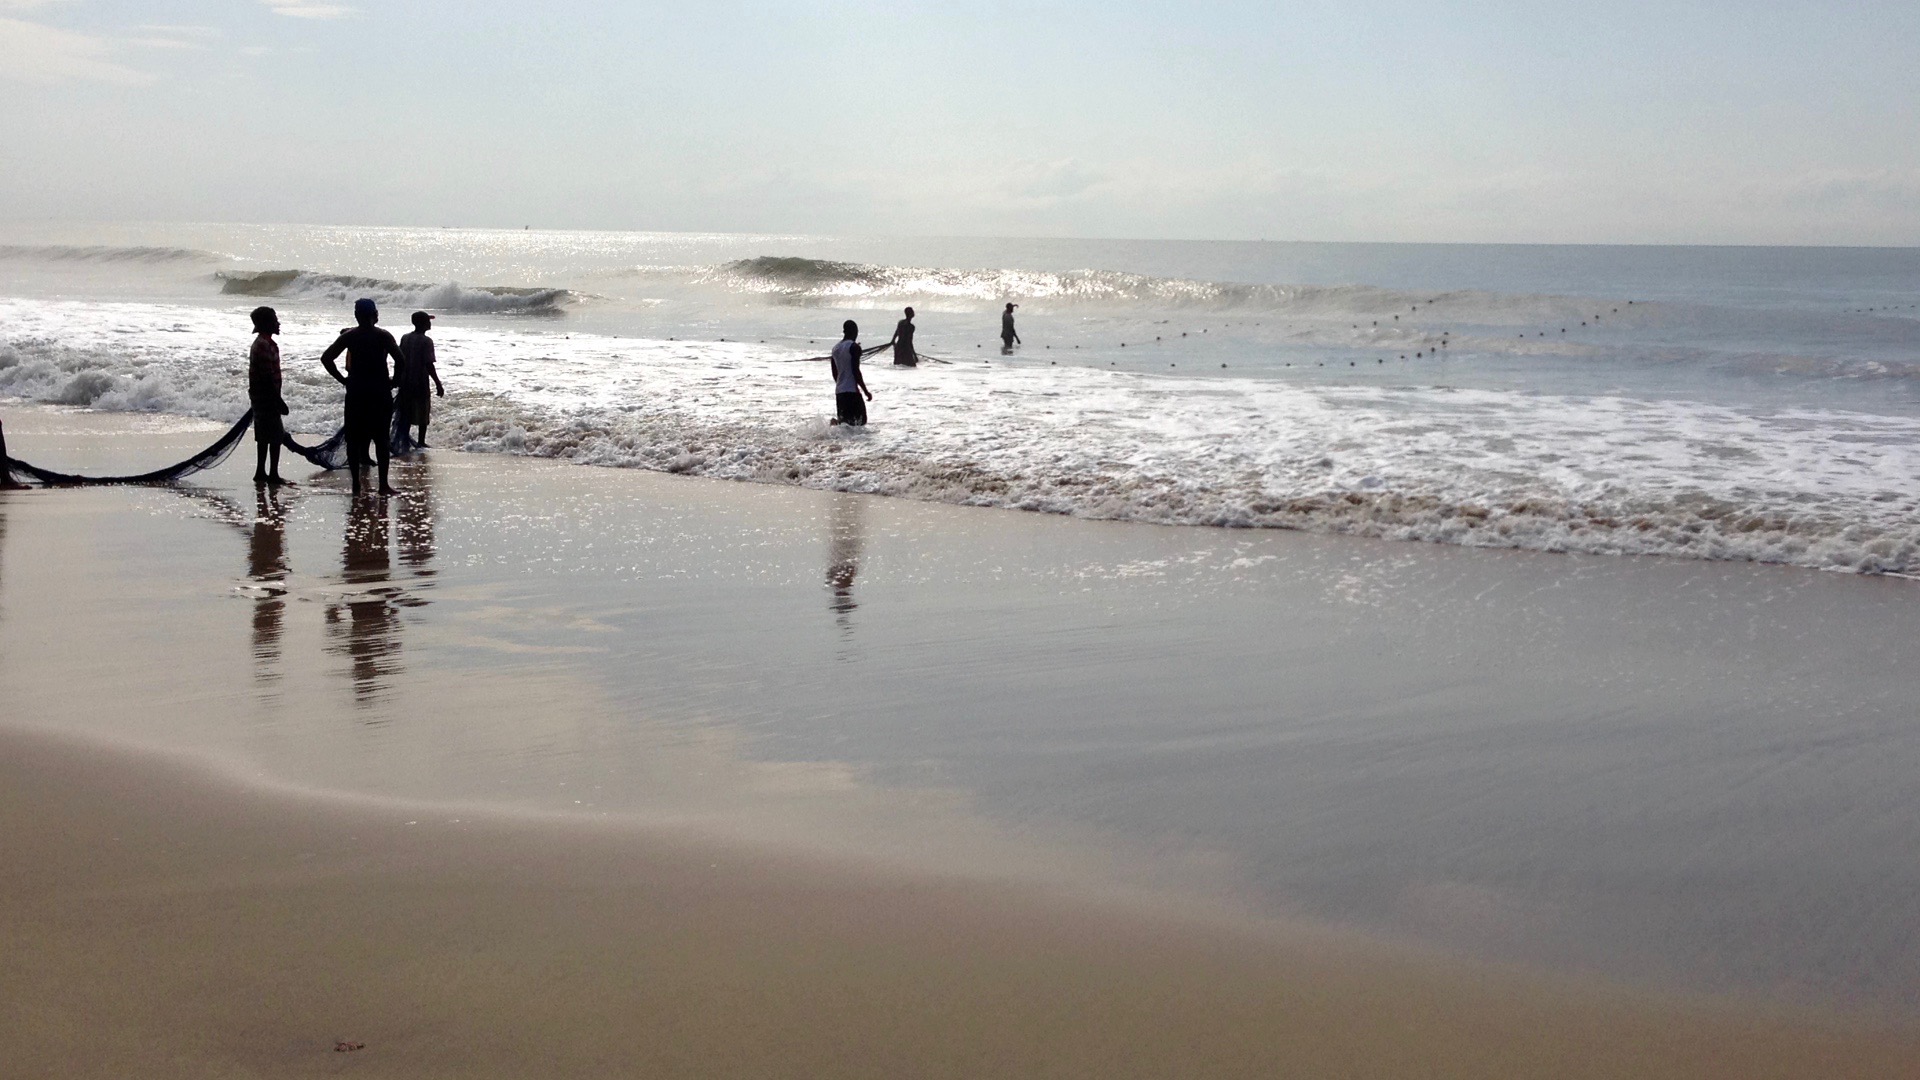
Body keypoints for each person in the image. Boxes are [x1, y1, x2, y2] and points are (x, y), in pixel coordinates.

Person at [320, 298, 405, 498]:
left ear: (356, 316)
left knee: (354, 439)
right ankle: (383, 485)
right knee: (382, 439)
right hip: (379, 392)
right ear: (374, 315)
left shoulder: (349, 336)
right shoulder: (383, 336)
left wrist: (342, 379)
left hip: (356, 392)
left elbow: (326, 358)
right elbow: (400, 360)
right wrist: (395, 381)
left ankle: (356, 485)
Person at [247, 306, 292, 486]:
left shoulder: (263, 343)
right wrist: (278, 401)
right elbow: (266, 377)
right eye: (274, 320)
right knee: (274, 436)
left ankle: (261, 471)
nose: (278, 323)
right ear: (266, 324)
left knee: (264, 435)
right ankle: (272, 474)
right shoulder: (264, 345)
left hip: (261, 396)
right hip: (266, 397)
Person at [395, 310, 445, 448]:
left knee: (406, 412)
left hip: (406, 381)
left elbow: (399, 359)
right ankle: (421, 441)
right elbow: (429, 364)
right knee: (423, 411)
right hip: (420, 382)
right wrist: (438, 383)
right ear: (423, 324)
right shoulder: (426, 341)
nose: (430, 323)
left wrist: (397, 377)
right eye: (428, 321)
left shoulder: (405, 338)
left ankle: (404, 439)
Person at [828, 320, 871, 427]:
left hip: (840, 391)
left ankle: (833, 424)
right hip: (852, 391)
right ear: (854, 331)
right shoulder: (854, 347)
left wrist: (840, 384)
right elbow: (856, 371)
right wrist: (866, 391)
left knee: (845, 423)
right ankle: (834, 424)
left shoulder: (835, 348)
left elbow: (835, 373)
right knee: (861, 421)